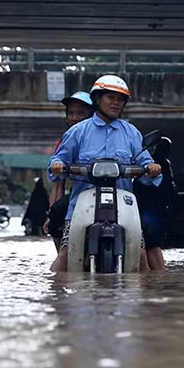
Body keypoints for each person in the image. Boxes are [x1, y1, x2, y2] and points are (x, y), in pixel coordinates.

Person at [48, 75, 162, 272]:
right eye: (111, 98)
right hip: (81, 205)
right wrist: (57, 164)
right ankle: (56, 297)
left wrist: (152, 168)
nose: (116, 103)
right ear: (97, 99)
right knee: (66, 255)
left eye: (120, 100)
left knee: (141, 257)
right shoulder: (78, 131)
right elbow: (59, 160)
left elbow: (144, 160)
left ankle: (147, 301)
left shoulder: (132, 132)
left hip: (124, 206)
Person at [44, 91, 94, 249]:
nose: (75, 117)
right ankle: (63, 254)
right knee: (56, 216)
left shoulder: (113, 133)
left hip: (116, 192)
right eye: (71, 113)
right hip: (80, 195)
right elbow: (58, 182)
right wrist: (50, 214)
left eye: (81, 113)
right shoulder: (65, 142)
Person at [133, 137, 174, 271]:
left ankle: (155, 279)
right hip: (140, 208)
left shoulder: (158, 165)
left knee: (150, 242)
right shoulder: (143, 164)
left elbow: (168, 188)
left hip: (146, 211)